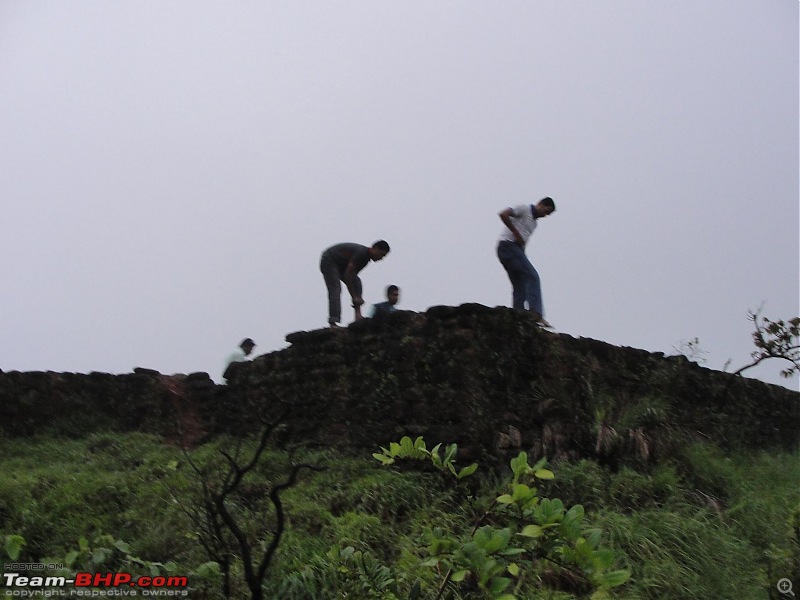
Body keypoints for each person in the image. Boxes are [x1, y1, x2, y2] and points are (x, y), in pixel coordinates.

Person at [497, 197, 556, 327]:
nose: (545, 215)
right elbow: (503, 214)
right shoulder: (524, 209)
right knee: (532, 276)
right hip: (508, 246)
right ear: (540, 204)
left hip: (515, 250)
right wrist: (515, 233)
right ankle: (535, 313)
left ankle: (517, 316)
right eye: (546, 211)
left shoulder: (534, 223)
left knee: (520, 286)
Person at [320, 241, 390, 327]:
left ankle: (358, 316)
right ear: (374, 248)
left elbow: (352, 278)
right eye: (381, 254)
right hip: (330, 260)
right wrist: (354, 296)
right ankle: (333, 322)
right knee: (336, 289)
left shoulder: (365, 260)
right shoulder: (362, 253)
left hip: (342, 265)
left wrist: (357, 297)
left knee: (357, 283)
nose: (381, 258)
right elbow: (347, 276)